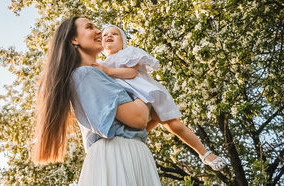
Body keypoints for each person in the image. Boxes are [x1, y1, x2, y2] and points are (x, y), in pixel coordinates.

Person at [33, 17, 161, 185]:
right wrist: (145, 87)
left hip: (126, 153)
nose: (99, 31)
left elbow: (134, 123)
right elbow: (138, 119)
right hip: (118, 157)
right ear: (74, 39)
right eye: (89, 27)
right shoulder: (86, 74)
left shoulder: (93, 75)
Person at [92, 25, 227, 171]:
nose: (108, 36)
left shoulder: (128, 53)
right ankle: (144, 131)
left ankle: (204, 153)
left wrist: (107, 71)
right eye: (105, 35)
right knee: (138, 126)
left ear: (123, 41)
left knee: (173, 124)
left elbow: (131, 73)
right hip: (129, 101)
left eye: (114, 34)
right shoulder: (101, 64)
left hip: (145, 93)